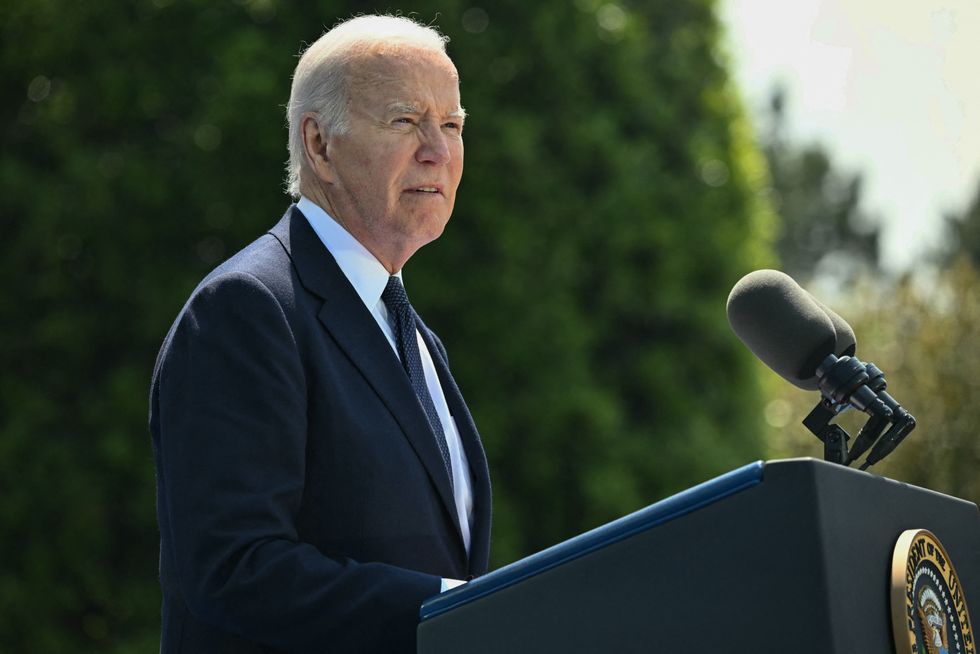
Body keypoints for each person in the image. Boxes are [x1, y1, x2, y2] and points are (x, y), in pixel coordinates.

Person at [148, 15, 491, 653]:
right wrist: (457, 609)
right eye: (405, 121)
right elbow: (235, 569)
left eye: (452, 125)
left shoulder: (414, 336)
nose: (438, 152)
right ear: (319, 145)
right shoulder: (246, 309)